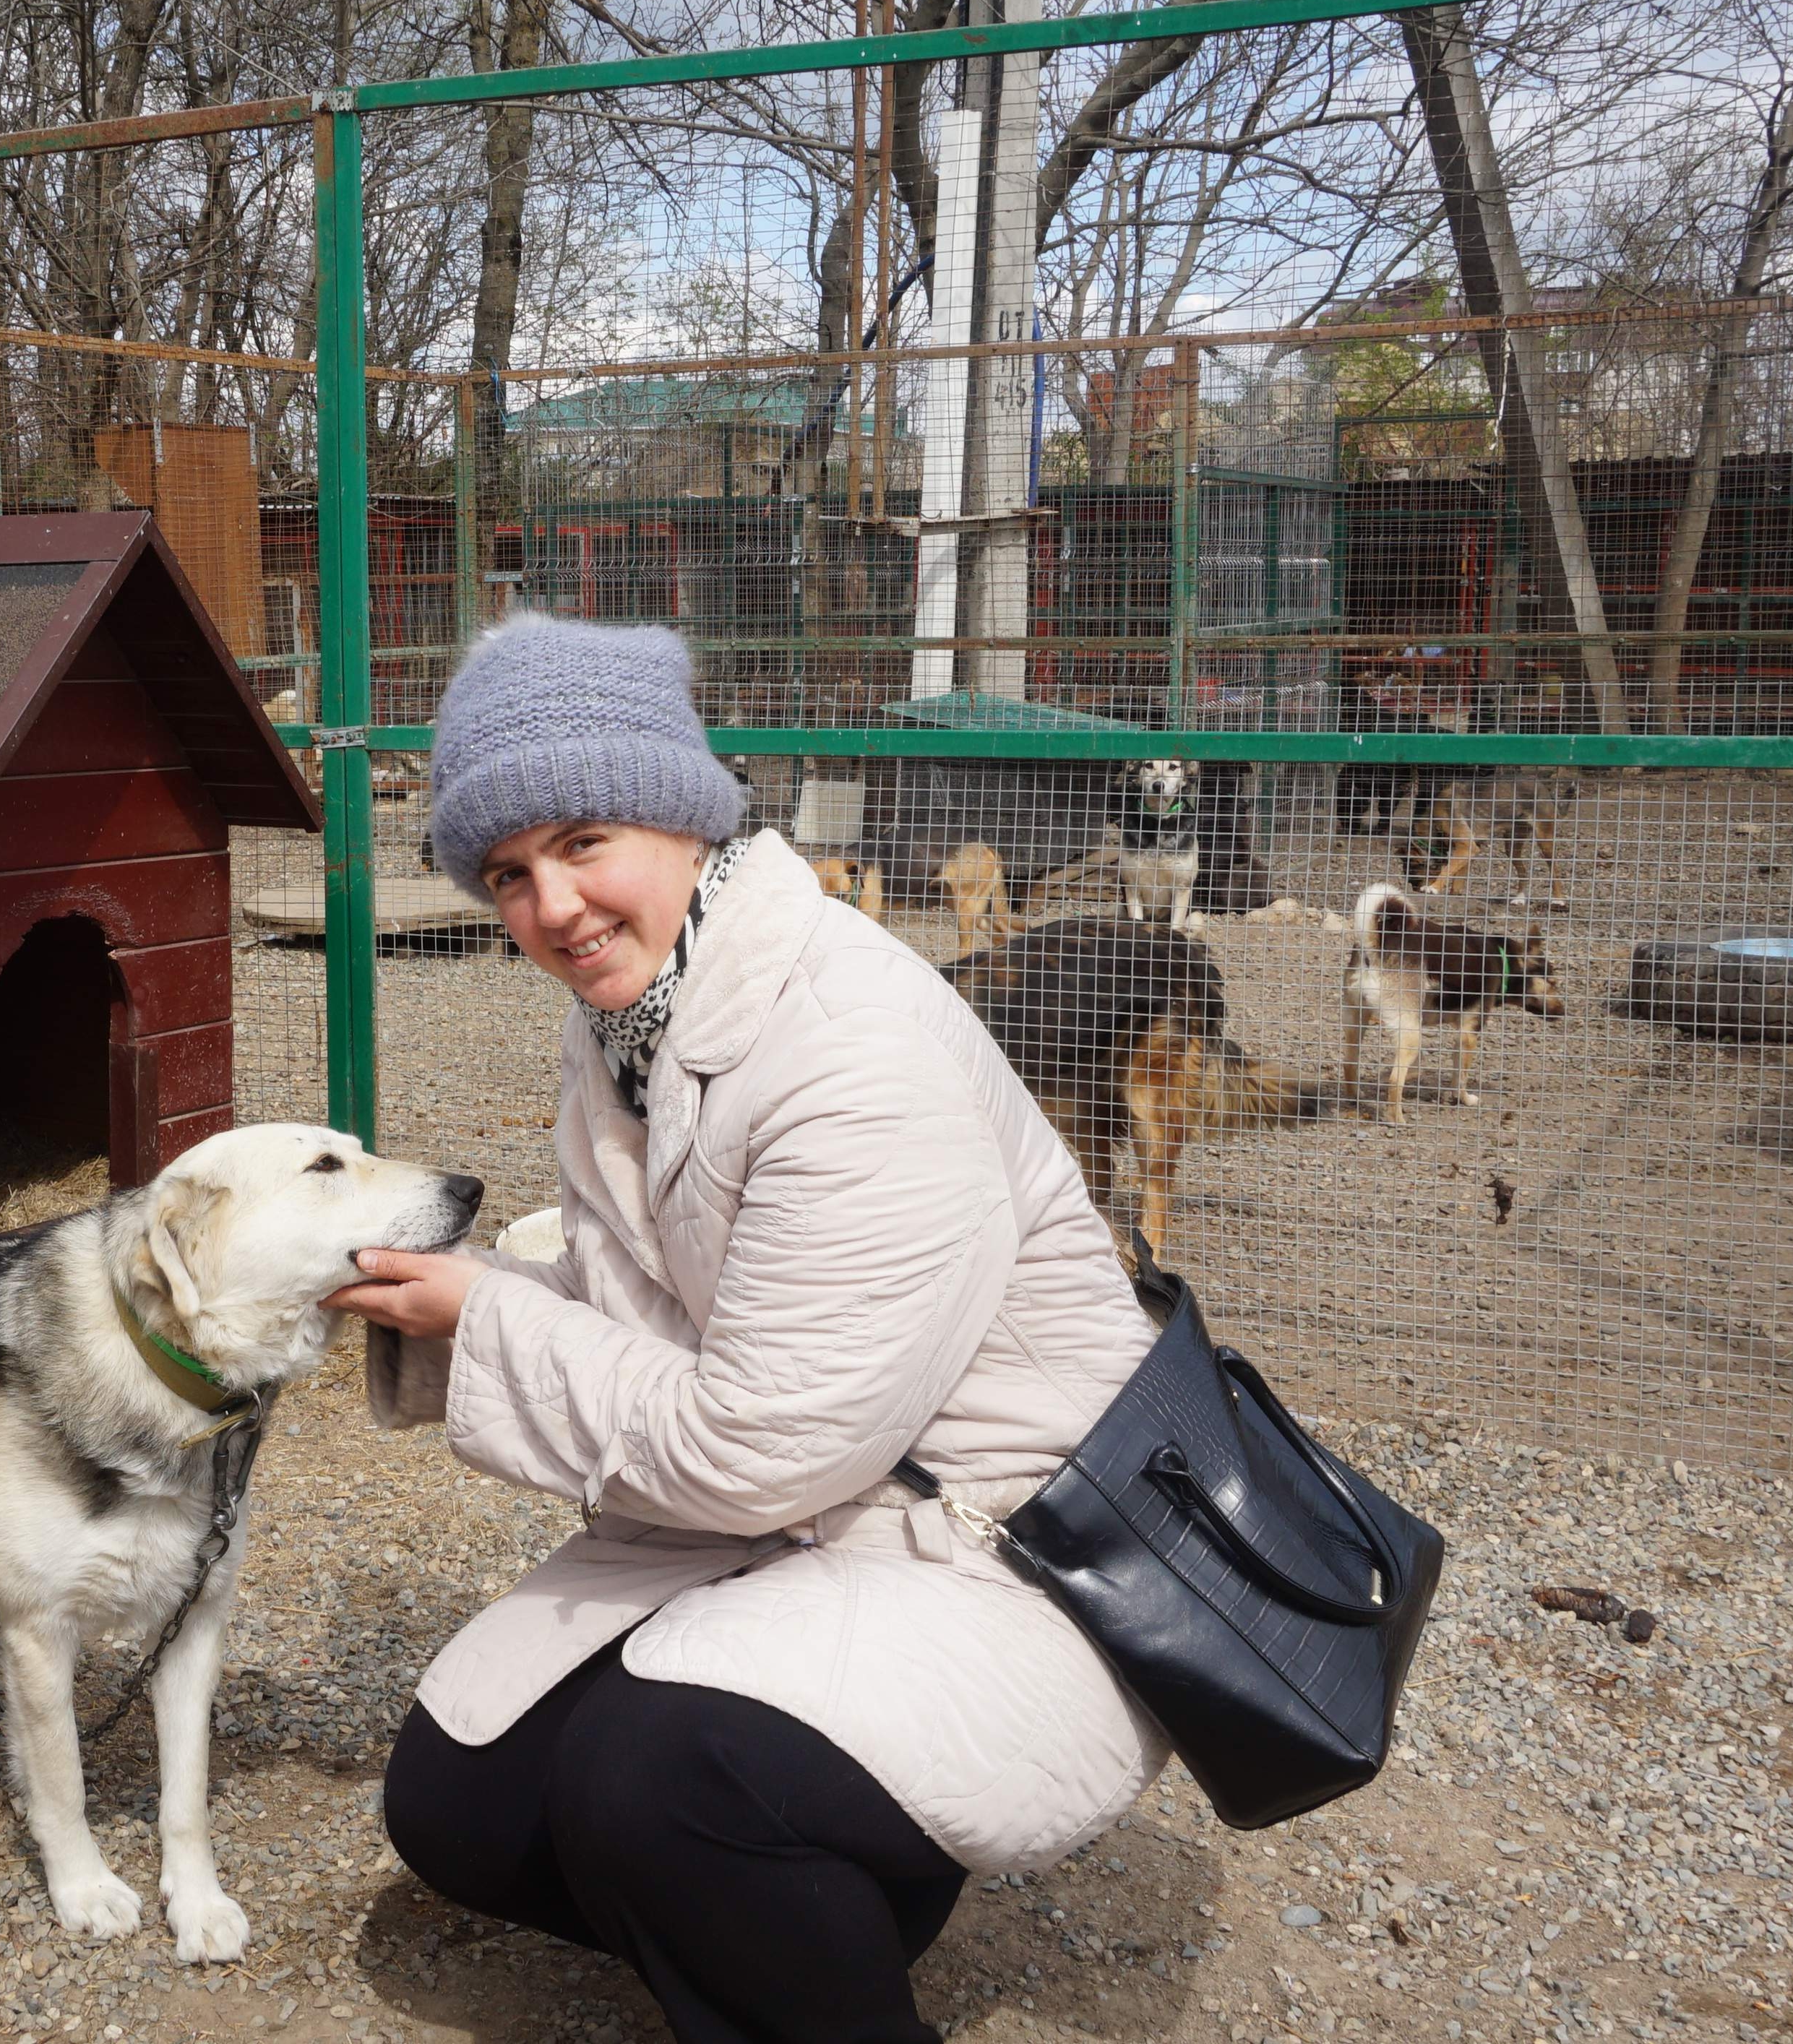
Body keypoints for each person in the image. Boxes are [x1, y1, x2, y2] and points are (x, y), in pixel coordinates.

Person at [324, 613, 1169, 2044]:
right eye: (507, 873)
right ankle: (817, 1892)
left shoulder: (852, 1050)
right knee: (460, 1799)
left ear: (682, 815)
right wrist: (434, 1306)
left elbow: (760, 1443)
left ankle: (808, 1930)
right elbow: (667, 1315)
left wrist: (480, 1317)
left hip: (1020, 1556)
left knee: (656, 1781)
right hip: (832, 1519)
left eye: (583, 839)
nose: (552, 906)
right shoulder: (639, 1022)